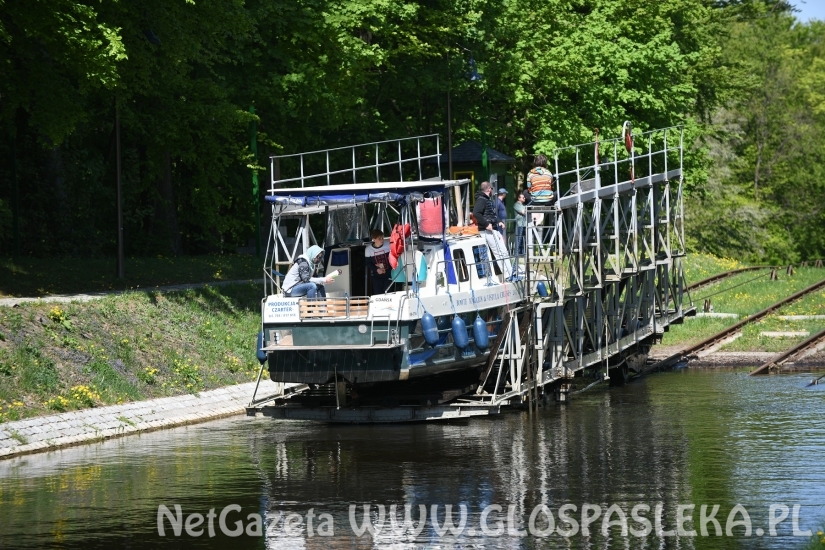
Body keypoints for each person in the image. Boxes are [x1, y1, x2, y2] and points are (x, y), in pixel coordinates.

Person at [472, 181, 519, 281]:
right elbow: (476, 213)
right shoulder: (481, 200)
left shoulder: (486, 199)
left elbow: (491, 214)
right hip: (487, 231)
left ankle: (510, 273)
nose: (493, 191)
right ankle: (508, 276)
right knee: (499, 252)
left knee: (504, 251)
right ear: (489, 189)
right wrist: (486, 224)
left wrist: (499, 221)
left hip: (493, 229)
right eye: (492, 189)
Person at [365, 229, 391, 294]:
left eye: (382, 238)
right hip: (376, 276)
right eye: (379, 239)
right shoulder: (368, 250)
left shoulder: (388, 245)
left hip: (389, 275)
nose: (382, 240)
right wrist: (376, 270)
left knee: (388, 294)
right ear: (374, 239)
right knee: (378, 294)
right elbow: (368, 263)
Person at [513, 191, 527, 256]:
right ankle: (518, 254)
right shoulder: (516, 205)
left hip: (524, 225)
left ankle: (523, 253)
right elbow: (523, 212)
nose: (524, 198)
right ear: (519, 198)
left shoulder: (523, 205)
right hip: (519, 225)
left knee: (524, 240)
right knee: (519, 240)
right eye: (523, 197)